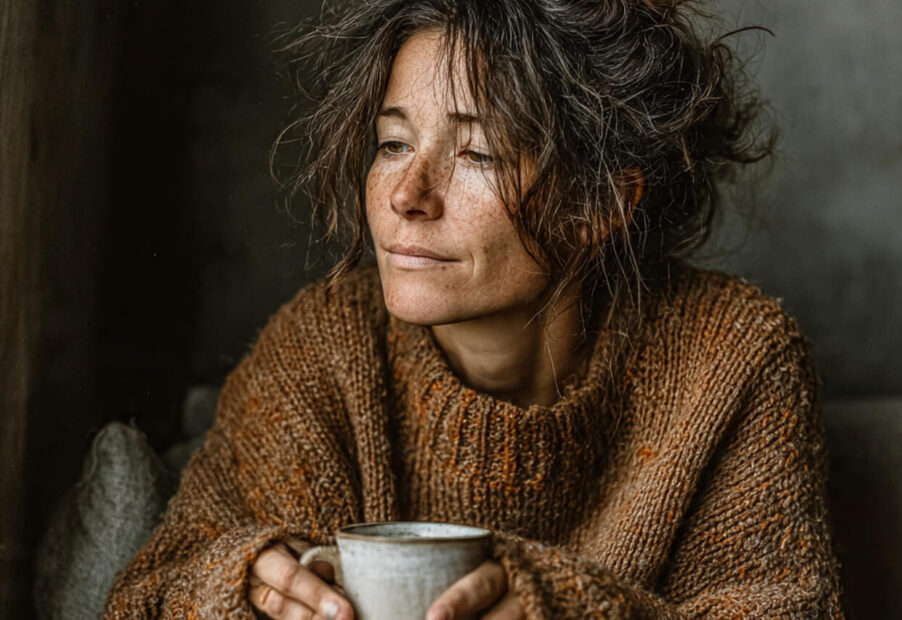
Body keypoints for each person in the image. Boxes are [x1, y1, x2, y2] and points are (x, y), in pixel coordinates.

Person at [105, 0, 844, 618]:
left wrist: (568, 607)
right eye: (392, 143)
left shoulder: (734, 355)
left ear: (601, 204)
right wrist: (236, 587)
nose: (405, 195)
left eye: (478, 154)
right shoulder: (324, 346)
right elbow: (143, 594)